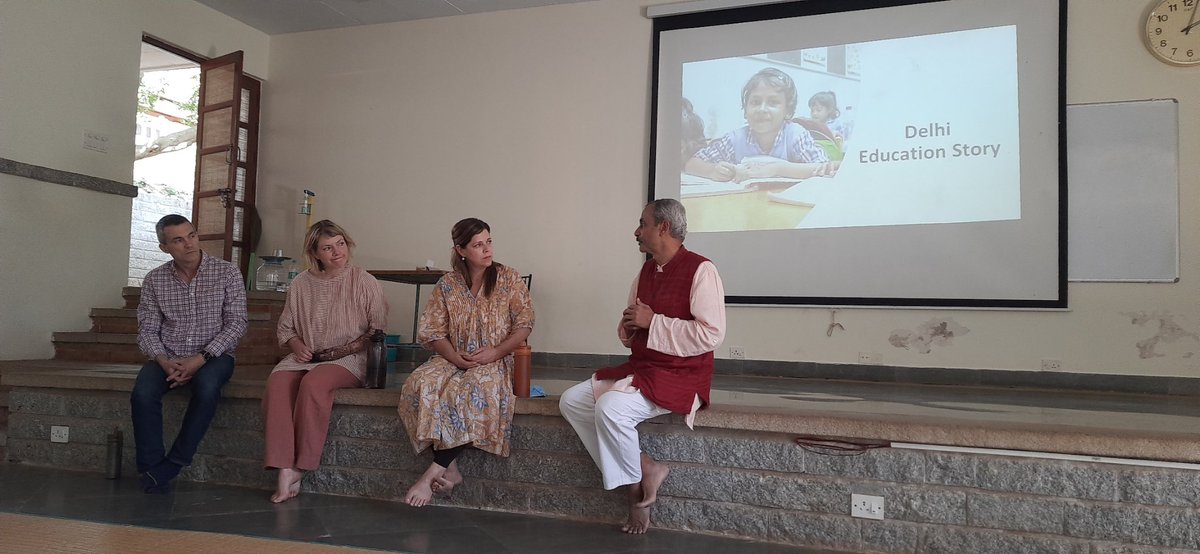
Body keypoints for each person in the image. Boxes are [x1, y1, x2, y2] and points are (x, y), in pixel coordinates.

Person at [558, 199, 726, 534]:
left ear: (663, 227)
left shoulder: (702, 270)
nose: (637, 232)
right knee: (571, 401)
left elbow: (712, 334)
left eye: (642, 223)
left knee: (610, 408)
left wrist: (654, 321)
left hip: (682, 375)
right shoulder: (645, 272)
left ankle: (634, 497)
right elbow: (632, 327)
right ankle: (645, 466)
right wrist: (633, 325)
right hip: (645, 367)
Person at [397, 218, 535, 508]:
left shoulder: (508, 278)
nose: (487, 249)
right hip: (452, 356)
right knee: (420, 383)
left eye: (489, 241)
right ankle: (453, 468)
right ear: (460, 250)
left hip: (494, 360)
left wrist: (495, 353)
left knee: (470, 389)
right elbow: (434, 331)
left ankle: (432, 472)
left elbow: (524, 325)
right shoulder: (448, 285)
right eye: (477, 245)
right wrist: (453, 357)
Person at [262, 220, 387, 503]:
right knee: (278, 382)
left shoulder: (363, 280)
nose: (336, 252)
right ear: (315, 253)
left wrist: (339, 352)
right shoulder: (300, 284)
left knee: (314, 384)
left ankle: (300, 466)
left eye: (340, 244)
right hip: (305, 356)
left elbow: (376, 330)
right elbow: (286, 328)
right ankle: (282, 465)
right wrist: (296, 344)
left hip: (350, 358)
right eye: (327, 248)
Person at [131, 214, 247, 494]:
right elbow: (146, 329)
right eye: (178, 240)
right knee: (142, 394)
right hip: (167, 356)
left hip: (214, 356)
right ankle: (151, 467)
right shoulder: (155, 280)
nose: (189, 244)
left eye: (192, 235)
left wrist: (200, 359)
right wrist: (162, 360)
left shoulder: (227, 273)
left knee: (207, 388)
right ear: (164, 247)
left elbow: (237, 323)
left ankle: (174, 463)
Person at [685, 67, 836, 182]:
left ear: (788, 111)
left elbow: (825, 167)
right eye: (755, 102)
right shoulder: (735, 140)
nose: (762, 109)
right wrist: (712, 170)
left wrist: (779, 169)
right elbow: (691, 164)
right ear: (745, 111)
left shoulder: (795, 135)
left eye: (773, 102)